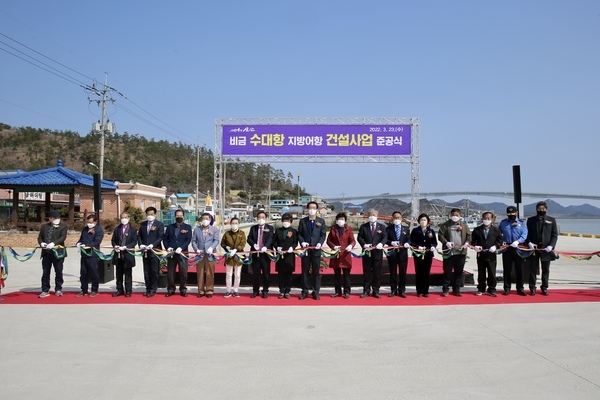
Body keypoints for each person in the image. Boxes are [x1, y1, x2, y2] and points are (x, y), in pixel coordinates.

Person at [526, 201, 559, 296]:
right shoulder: (531, 220)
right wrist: (529, 243)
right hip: (534, 248)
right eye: (539, 209)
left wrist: (551, 246)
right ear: (536, 209)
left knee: (546, 269)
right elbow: (527, 233)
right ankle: (532, 287)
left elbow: (554, 235)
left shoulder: (551, 220)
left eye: (543, 209)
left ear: (546, 210)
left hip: (546, 249)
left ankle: (544, 287)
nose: (541, 210)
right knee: (532, 269)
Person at [437, 208, 472, 297]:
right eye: (453, 215)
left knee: (459, 272)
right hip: (449, 252)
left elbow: (469, 235)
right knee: (447, 272)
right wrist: (446, 243)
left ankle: (457, 289)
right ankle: (445, 289)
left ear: (460, 216)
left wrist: (467, 243)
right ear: (450, 215)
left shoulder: (464, 225)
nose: (455, 217)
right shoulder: (445, 225)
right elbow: (440, 235)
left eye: (457, 215)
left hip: (461, 252)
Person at [297, 202, 327, 300]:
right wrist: (302, 242)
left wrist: (319, 243)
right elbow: (299, 234)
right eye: (310, 208)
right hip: (306, 250)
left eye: (314, 208)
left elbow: (323, 235)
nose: (312, 210)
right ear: (307, 209)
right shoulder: (303, 221)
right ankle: (305, 291)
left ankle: (315, 291)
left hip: (316, 250)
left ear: (317, 209)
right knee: (305, 271)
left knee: (316, 271)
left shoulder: (321, 221)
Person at [357, 209, 388, 298]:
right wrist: (364, 244)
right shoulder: (364, 226)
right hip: (367, 253)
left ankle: (376, 290)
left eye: (374, 215)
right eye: (370, 215)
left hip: (377, 253)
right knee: (366, 272)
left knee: (377, 272)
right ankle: (366, 290)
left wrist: (381, 243)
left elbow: (385, 236)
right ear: (368, 216)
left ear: (377, 216)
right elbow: (359, 237)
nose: (372, 217)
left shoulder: (382, 227)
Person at [471, 212, 503, 296]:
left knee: (492, 272)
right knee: (481, 273)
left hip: (491, 255)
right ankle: (481, 288)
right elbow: (473, 241)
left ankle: (492, 289)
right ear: (482, 219)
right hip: (481, 254)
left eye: (488, 218)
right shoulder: (477, 230)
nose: (487, 220)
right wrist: (475, 246)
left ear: (492, 219)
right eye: (485, 218)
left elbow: (500, 241)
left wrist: (495, 246)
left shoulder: (496, 230)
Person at [498, 205, 528, 296]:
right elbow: (499, 234)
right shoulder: (503, 223)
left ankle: (520, 288)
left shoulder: (522, 223)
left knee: (520, 269)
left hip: (518, 247)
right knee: (507, 269)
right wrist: (502, 241)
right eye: (509, 213)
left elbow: (524, 234)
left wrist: (518, 241)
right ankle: (507, 288)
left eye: (513, 213)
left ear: (517, 213)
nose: (511, 215)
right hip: (507, 248)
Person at [37, 210, 68, 298]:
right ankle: (45, 289)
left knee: (58, 271)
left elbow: (63, 237)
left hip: (58, 253)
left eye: (58, 218)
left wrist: (53, 243)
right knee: (46, 272)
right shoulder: (44, 227)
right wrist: (41, 243)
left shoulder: (63, 227)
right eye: (55, 218)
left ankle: (58, 289)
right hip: (46, 253)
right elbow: (40, 237)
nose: (57, 220)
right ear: (50, 219)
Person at [326, 212, 356, 299]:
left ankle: (347, 292)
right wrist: (333, 246)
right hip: (336, 255)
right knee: (337, 275)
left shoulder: (349, 229)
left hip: (345, 255)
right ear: (336, 220)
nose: (340, 221)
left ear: (345, 220)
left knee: (347, 275)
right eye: (339, 219)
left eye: (342, 219)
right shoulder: (333, 229)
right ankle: (337, 291)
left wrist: (351, 245)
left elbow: (353, 240)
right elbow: (329, 241)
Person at [163, 209, 193, 297]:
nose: (179, 217)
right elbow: (165, 239)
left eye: (180, 216)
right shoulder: (170, 227)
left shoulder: (187, 227)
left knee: (183, 272)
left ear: (183, 216)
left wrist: (181, 247)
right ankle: (171, 289)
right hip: (171, 254)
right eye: (177, 216)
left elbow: (188, 239)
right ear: (175, 216)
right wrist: (168, 247)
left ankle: (183, 289)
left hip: (182, 253)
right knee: (171, 272)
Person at [75, 214, 104, 298]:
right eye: (88, 222)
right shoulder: (85, 229)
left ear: (95, 222)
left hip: (93, 254)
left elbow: (97, 241)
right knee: (83, 273)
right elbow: (81, 239)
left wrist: (86, 245)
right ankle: (83, 290)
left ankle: (94, 290)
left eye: (91, 222)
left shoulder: (99, 230)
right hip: (84, 254)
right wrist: (78, 243)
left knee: (93, 273)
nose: (89, 224)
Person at [138, 206, 165, 297]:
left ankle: (153, 289)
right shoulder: (143, 224)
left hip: (154, 251)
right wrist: (141, 244)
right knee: (146, 270)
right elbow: (139, 236)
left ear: (155, 214)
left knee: (154, 270)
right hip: (145, 251)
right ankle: (147, 288)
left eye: (151, 214)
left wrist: (152, 245)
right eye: (148, 214)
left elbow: (160, 237)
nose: (150, 216)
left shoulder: (159, 224)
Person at [191, 212, 220, 298]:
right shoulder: (197, 229)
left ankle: (209, 290)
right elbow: (193, 241)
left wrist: (211, 248)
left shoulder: (214, 229)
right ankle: (200, 290)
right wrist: (196, 249)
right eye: (203, 219)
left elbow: (216, 240)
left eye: (207, 219)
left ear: (210, 220)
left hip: (210, 254)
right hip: (200, 254)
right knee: (200, 273)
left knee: (210, 273)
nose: (205, 220)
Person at [246, 211, 274, 298]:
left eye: (263, 217)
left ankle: (265, 290)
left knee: (266, 273)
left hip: (265, 254)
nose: (261, 219)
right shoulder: (253, 228)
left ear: (266, 219)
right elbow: (249, 239)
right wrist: (254, 244)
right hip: (256, 253)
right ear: (257, 218)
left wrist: (266, 246)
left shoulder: (270, 228)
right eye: (259, 217)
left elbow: (271, 238)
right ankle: (255, 290)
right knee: (256, 274)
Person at [409, 213, 438, 298]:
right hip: (418, 253)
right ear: (419, 221)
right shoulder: (415, 230)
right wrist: (418, 246)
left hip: (428, 254)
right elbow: (411, 241)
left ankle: (426, 290)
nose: (423, 221)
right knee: (419, 272)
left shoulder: (431, 231)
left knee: (426, 272)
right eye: (421, 220)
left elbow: (434, 241)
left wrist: (433, 246)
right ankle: (419, 291)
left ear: (428, 221)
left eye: (425, 220)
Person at [111, 211, 138, 298]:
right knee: (119, 274)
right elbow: (113, 240)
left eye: (125, 217)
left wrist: (126, 246)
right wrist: (115, 246)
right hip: (118, 254)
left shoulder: (133, 230)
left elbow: (134, 241)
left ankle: (128, 290)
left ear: (129, 218)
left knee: (128, 274)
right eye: (122, 217)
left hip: (128, 254)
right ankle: (119, 289)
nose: (124, 219)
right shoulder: (117, 229)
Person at [385, 211, 411, 298]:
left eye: (398, 218)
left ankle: (402, 290)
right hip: (392, 253)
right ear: (392, 219)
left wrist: (407, 243)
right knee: (392, 272)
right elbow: (385, 240)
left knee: (402, 272)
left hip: (403, 254)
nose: (397, 219)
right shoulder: (388, 229)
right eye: (395, 218)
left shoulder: (406, 228)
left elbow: (409, 239)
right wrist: (391, 242)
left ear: (401, 218)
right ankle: (393, 290)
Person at [273, 213, 298, 299]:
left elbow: (295, 242)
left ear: (291, 222)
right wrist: (277, 248)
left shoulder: (294, 231)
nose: (285, 222)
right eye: (284, 220)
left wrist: (292, 247)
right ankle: (281, 290)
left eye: (287, 221)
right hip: (280, 255)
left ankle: (287, 291)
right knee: (281, 274)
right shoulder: (278, 231)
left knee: (289, 274)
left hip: (289, 255)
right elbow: (274, 242)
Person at [220, 217, 247, 298]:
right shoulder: (227, 233)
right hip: (229, 256)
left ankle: (236, 290)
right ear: (230, 224)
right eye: (233, 223)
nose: (234, 225)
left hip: (238, 256)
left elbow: (243, 243)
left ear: (238, 224)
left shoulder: (242, 233)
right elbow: (222, 243)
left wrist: (236, 249)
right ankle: (228, 290)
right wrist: (226, 248)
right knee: (228, 274)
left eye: (236, 223)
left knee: (237, 274)